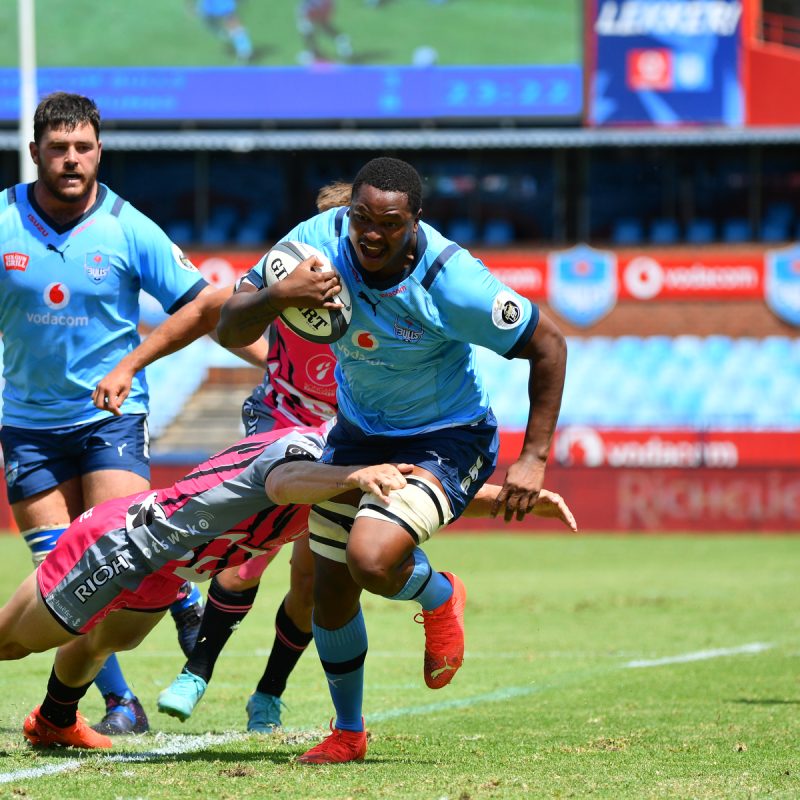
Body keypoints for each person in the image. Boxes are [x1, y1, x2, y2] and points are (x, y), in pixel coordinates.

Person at [217, 156, 568, 764]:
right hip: (358, 430)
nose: (371, 235)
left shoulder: (454, 282)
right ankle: (348, 733)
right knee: (329, 590)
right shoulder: (312, 245)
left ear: (415, 222)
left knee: (369, 558)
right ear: (346, 211)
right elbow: (227, 325)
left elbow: (549, 346)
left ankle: (437, 594)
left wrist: (533, 457)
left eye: (389, 223)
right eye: (361, 219)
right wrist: (279, 294)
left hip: (448, 436)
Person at [0, 423, 576, 750]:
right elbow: (284, 483)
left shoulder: (351, 469)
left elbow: (419, 495)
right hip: (126, 546)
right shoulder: (308, 452)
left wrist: (510, 502)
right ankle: (52, 711)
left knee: (111, 642)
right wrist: (350, 473)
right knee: (17, 641)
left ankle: (54, 719)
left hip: (171, 569)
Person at [0, 91, 264, 737]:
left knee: (120, 557)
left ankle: (174, 597)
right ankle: (116, 704)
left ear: (99, 152)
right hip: (27, 428)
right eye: (57, 149)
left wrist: (274, 362)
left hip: (108, 421)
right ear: (34, 152)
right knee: (62, 576)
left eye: (83, 148)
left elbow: (205, 305)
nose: (70, 159)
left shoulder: (126, 226)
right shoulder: (2, 219)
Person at [156, 182, 352, 732]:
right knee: (248, 555)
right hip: (278, 424)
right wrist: (269, 356)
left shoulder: (376, 302)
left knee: (311, 579)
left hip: (342, 442)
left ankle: (268, 693)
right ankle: (197, 670)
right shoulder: (283, 277)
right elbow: (220, 313)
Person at [296, 0, 353, 65]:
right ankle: (343, 44)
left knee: (309, 28)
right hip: (319, 4)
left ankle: (313, 53)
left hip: (316, 4)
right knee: (318, 27)